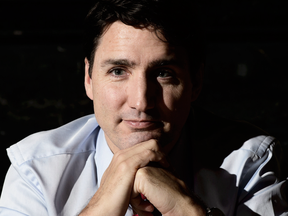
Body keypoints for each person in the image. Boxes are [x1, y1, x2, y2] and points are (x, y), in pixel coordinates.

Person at [0, 0, 287, 215]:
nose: (141, 102)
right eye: (118, 71)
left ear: (195, 81)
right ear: (89, 79)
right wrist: (103, 204)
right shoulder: (35, 170)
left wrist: (187, 209)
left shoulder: (249, 162)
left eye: (164, 73)